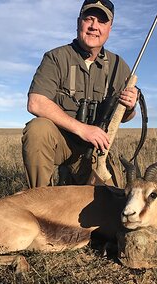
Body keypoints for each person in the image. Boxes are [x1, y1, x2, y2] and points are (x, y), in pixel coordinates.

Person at [22, 0, 138, 188]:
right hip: (61, 143)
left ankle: (74, 180)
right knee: (38, 130)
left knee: (115, 199)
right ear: (79, 22)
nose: (94, 27)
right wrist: (82, 129)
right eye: (89, 19)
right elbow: (36, 102)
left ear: (110, 28)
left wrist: (130, 105)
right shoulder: (56, 57)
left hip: (94, 152)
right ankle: (39, 198)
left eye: (102, 22)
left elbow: (126, 117)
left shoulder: (119, 66)